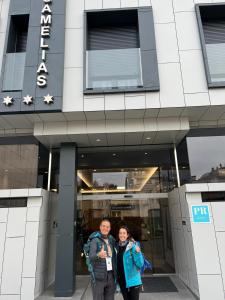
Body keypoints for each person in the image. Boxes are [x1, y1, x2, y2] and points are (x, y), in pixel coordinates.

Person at [89, 218, 117, 300]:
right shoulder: (95, 240)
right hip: (98, 277)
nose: (105, 228)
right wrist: (98, 255)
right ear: (100, 227)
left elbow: (120, 248)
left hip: (110, 276)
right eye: (103, 226)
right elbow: (91, 256)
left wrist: (132, 243)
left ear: (110, 228)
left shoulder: (111, 240)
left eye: (107, 227)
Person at [116, 226, 144, 300]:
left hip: (133, 280)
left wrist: (138, 253)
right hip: (122, 281)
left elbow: (140, 264)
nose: (122, 235)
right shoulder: (116, 247)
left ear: (127, 235)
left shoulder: (133, 247)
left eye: (124, 233)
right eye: (120, 233)